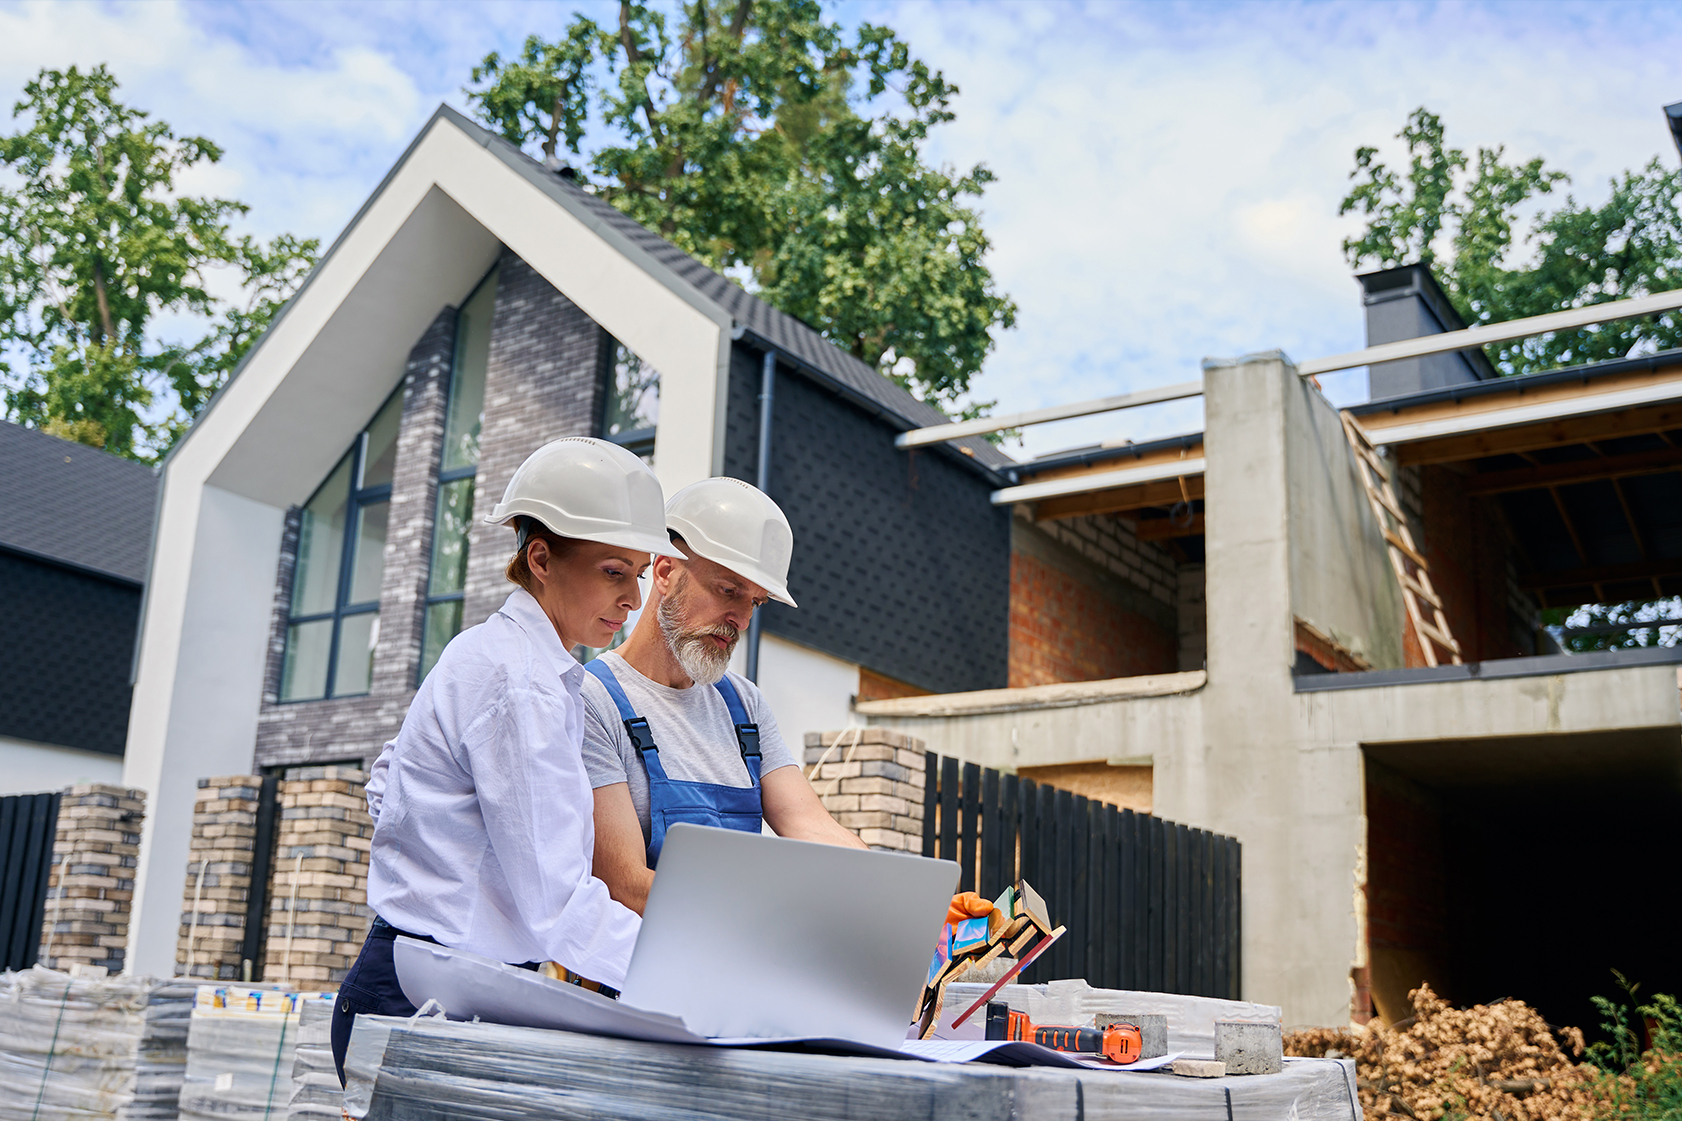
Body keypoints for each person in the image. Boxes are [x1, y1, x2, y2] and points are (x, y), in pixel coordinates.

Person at [331, 437, 687, 1084]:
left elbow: (389, 780)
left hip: (432, 981)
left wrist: (440, 864)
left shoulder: (498, 658)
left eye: (638, 572)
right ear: (541, 558)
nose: (633, 598)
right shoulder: (520, 682)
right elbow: (560, 909)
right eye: (614, 570)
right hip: (427, 1001)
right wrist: (693, 976)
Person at [581, 478, 870, 914]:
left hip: (733, 958)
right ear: (664, 572)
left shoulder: (743, 707)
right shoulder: (593, 700)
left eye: (755, 602)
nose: (740, 619)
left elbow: (809, 824)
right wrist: (761, 915)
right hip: (632, 971)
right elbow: (624, 885)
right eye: (728, 591)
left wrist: (896, 894)